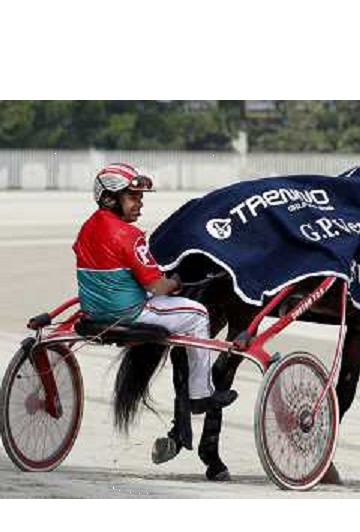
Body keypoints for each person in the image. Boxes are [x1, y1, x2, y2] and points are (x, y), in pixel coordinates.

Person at [73, 163, 237, 461]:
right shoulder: (129, 235)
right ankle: (200, 393)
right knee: (198, 313)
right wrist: (176, 281)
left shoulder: (86, 228)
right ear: (110, 198)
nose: (140, 203)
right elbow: (157, 286)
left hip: (93, 311)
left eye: (140, 197)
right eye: (133, 197)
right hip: (130, 315)